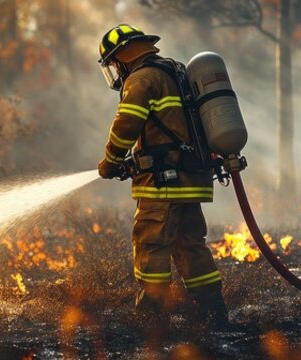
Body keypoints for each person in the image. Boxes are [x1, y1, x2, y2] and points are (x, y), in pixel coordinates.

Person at [95, 24, 232, 331]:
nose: (116, 71)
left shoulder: (142, 78)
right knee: (190, 246)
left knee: (151, 245)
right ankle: (214, 311)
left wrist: (110, 161)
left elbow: (126, 124)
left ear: (121, 57)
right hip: (191, 178)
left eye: (114, 64)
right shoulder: (177, 71)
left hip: (162, 182)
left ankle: (152, 316)